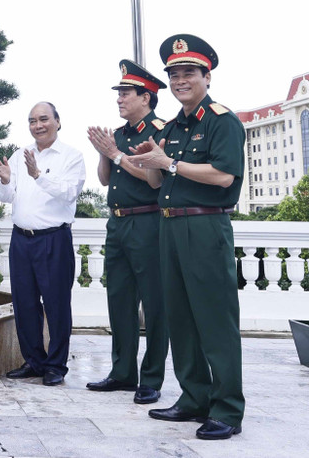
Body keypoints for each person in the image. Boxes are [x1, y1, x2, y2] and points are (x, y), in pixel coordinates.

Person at [128, 34, 245, 440]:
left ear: (206, 76)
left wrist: (170, 163)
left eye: (188, 73)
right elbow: (158, 177)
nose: (180, 80)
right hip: (170, 224)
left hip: (205, 225)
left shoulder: (222, 120)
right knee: (180, 318)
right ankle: (194, 398)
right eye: (174, 74)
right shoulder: (173, 125)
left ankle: (227, 409)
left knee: (215, 320)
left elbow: (225, 175)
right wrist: (152, 161)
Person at [85, 61, 169, 404]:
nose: (119, 99)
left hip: (147, 221)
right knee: (118, 299)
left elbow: (154, 177)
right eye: (118, 93)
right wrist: (105, 153)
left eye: (126, 93)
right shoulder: (119, 133)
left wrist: (116, 155)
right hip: (117, 222)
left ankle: (151, 378)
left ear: (146, 97)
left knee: (154, 302)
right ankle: (122, 373)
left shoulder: (159, 131)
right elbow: (105, 179)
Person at [0, 101, 85, 386]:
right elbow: (4, 196)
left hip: (53, 239)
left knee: (56, 304)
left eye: (43, 119)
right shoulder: (20, 154)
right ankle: (33, 361)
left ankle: (56, 365)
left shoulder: (72, 156)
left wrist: (38, 176)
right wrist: (7, 181)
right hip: (21, 239)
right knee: (24, 303)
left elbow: (69, 194)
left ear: (58, 121)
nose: (38, 125)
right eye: (32, 121)